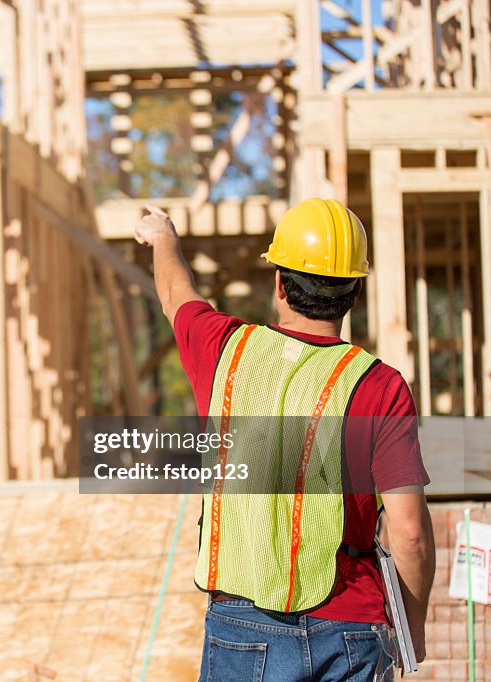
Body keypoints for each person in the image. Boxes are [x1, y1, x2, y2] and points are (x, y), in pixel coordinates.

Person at [134, 198, 435, 681]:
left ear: (279, 283)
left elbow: (176, 292)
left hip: (244, 626)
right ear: (355, 289)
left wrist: (163, 236)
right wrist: (411, 628)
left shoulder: (224, 353)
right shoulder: (380, 385)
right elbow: (410, 532)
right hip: (351, 628)